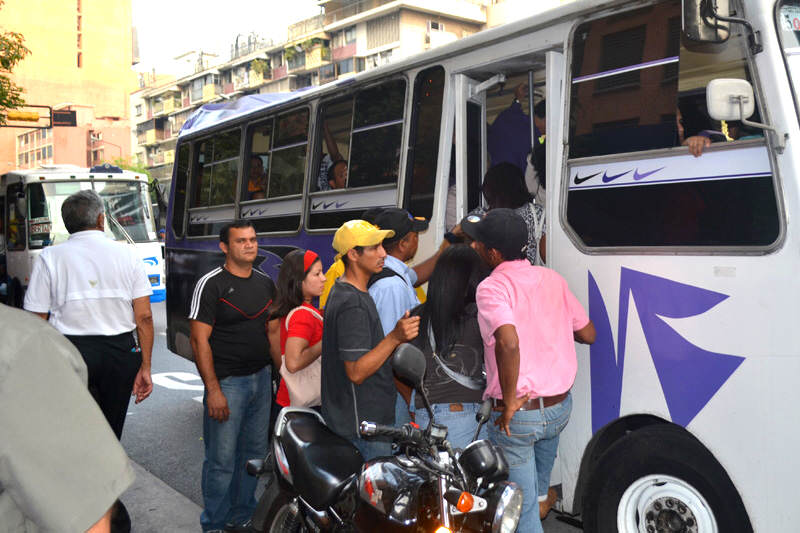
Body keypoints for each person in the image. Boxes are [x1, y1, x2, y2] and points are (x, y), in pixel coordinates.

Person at [23, 189, 153, 530]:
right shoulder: (127, 255)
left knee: (73, 434)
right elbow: (144, 318)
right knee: (109, 436)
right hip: (120, 353)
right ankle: (107, 512)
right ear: (101, 219)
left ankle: (80, 511)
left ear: (68, 225)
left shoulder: (50, 258)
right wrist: (146, 366)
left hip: (71, 352)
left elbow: (35, 319)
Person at [462, 209, 596, 533]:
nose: (473, 248)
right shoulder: (552, 278)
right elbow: (588, 334)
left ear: (493, 253)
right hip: (559, 408)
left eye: (477, 244)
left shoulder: (491, 288)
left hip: (520, 416)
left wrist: (508, 401)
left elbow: (508, 342)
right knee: (535, 496)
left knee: (520, 514)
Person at [0, 304, 135, 533]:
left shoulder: (20, 344)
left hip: (74, 346)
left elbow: (38, 310)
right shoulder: (20, 344)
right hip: (108, 352)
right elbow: (144, 315)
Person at [188, 220, 276, 533]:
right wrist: (213, 390)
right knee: (221, 460)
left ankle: (241, 517)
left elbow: (273, 331)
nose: (250, 245)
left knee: (253, 457)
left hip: (261, 380)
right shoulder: (211, 284)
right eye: (241, 241)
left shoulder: (266, 282)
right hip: (228, 384)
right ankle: (213, 524)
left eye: (253, 239)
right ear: (225, 247)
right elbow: (199, 341)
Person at [320, 220, 420, 460]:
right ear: (353, 254)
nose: (383, 253)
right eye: (374, 248)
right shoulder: (351, 302)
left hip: (364, 422)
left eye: (381, 246)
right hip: (362, 428)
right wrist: (395, 337)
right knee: (373, 496)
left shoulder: (347, 290)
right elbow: (356, 371)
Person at [408, 245, 489, 449]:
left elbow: (399, 366)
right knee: (464, 480)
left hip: (425, 415)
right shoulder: (479, 315)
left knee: (437, 479)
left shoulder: (416, 315)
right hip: (466, 415)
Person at [368, 208, 443, 426]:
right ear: (403, 244)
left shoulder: (392, 272)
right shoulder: (392, 287)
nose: (417, 241)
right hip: (395, 394)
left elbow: (417, 275)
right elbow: (393, 354)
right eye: (415, 237)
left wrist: (448, 244)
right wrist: (411, 401)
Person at [268, 249, 326, 409]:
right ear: (299, 280)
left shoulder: (288, 309)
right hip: (305, 405)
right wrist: (325, 341)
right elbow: (293, 363)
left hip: (290, 399)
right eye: (317, 274)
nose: (324, 278)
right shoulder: (302, 315)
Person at [477, 163, 546, 265]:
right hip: (533, 278)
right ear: (521, 186)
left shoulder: (480, 216)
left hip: (496, 278)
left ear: (489, 190)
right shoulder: (538, 213)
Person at [487, 83, 541, 174]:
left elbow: (514, 109)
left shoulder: (507, 117)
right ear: (546, 119)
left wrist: (518, 99)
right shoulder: (536, 137)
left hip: (495, 179)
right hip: (514, 183)